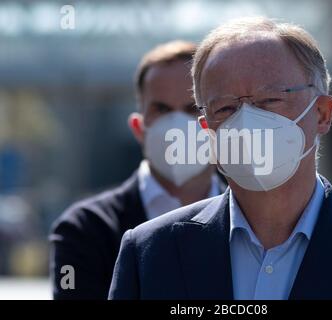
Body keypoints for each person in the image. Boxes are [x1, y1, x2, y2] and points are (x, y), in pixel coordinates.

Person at [109, 18, 332, 300]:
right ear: (207, 130)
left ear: (322, 113)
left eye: (269, 100)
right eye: (225, 108)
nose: (247, 120)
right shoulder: (150, 254)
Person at [49, 41, 226, 299]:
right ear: (138, 128)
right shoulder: (85, 229)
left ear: (217, 122)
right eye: (162, 109)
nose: (176, 124)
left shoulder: (252, 218)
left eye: (191, 108)